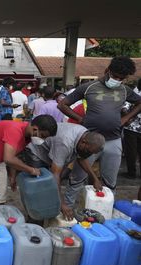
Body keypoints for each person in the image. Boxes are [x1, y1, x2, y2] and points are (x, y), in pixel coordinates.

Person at [58, 56, 141, 207]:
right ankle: (67, 209)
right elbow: (63, 104)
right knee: (77, 177)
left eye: (121, 78)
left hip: (113, 140)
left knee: (110, 181)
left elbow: (139, 102)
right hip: (89, 141)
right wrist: (80, 119)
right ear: (107, 71)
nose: (117, 80)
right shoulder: (89, 87)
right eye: (115, 76)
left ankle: (105, 210)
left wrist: (125, 119)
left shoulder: (124, 90)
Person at [0, 115, 58, 208]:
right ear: (35, 129)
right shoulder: (15, 130)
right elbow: (9, 159)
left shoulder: (28, 135)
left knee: (0, 196)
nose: (42, 140)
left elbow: (14, 154)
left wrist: (12, 176)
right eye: (42, 136)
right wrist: (31, 170)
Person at [19, 123, 105, 220]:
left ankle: (48, 214)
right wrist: (62, 204)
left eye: (91, 153)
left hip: (52, 152)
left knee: (49, 188)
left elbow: (82, 158)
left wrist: (94, 179)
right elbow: (55, 175)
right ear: (84, 142)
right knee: (39, 186)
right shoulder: (65, 143)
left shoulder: (85, 136)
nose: (88, 154)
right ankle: (34, 217)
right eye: (88, 151)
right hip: (37, 152)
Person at [122, 81, 141, 179]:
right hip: (133, 127)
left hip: (131, 128)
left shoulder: (134, 95)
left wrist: (128, 118)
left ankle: (131, 173)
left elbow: (124, 108)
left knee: (131, 151)